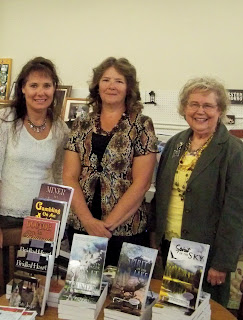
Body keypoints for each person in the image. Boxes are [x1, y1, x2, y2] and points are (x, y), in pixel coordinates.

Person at [151, 77, 243, 307]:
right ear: (184, 108)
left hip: (207, 254)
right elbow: (162, 194)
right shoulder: (175, 144)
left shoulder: (233, 151)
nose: (200, 111)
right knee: (173, 310)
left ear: (220, 110)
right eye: (194, 104)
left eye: (208, 105)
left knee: (205, 312)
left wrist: (222, 263)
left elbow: (237, 212)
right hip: (171, 245)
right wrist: (155, 236)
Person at [63, 57, 158, 266]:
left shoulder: (142, 125)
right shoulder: (81, 124)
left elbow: (141, 183)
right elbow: (69, 177)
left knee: (123, 294)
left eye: (119, 81)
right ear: (97, 85)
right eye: (106, 80)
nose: (111, 86)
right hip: (82, 225)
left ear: (129, 88)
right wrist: (89, 223)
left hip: (126, 229)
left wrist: (106, 226)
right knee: (82, 293)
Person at [0, 56, 69, 229]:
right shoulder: (5, 120)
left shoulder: (61, 129)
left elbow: (59, 175)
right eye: (33, 85)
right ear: (23, 88)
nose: (41, 92)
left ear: (54, 89)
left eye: (47, 85)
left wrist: (61, 218)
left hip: (44, 218)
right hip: (6, 218)